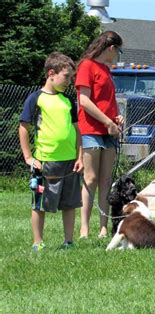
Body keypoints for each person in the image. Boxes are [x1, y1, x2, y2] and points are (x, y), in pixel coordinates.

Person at [19, 52, 83, 251]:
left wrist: (80, 156)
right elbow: (23, 127)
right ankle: (38, 242)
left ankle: (68, 241)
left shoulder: (68, 101)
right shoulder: (36, 99)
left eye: (71, 77)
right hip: (44, 161)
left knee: (70, 202)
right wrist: (28, 157)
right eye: (67, 77)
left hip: (70, 161)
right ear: (51, 74)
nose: (69, 82)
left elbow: (76, 129)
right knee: (39, 203)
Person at [75, 31, 123, 239]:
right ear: (111, 48)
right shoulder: (86, 66)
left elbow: (108, 100)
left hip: (109, 130)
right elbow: (84, 101)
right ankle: (84, 227)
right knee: (91, 177)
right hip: (92, 129)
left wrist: (117, 117)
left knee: (105, 180)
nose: (118, 55)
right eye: (118, 50)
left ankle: (103, 227)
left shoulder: (106, 69)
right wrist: (107, 121)